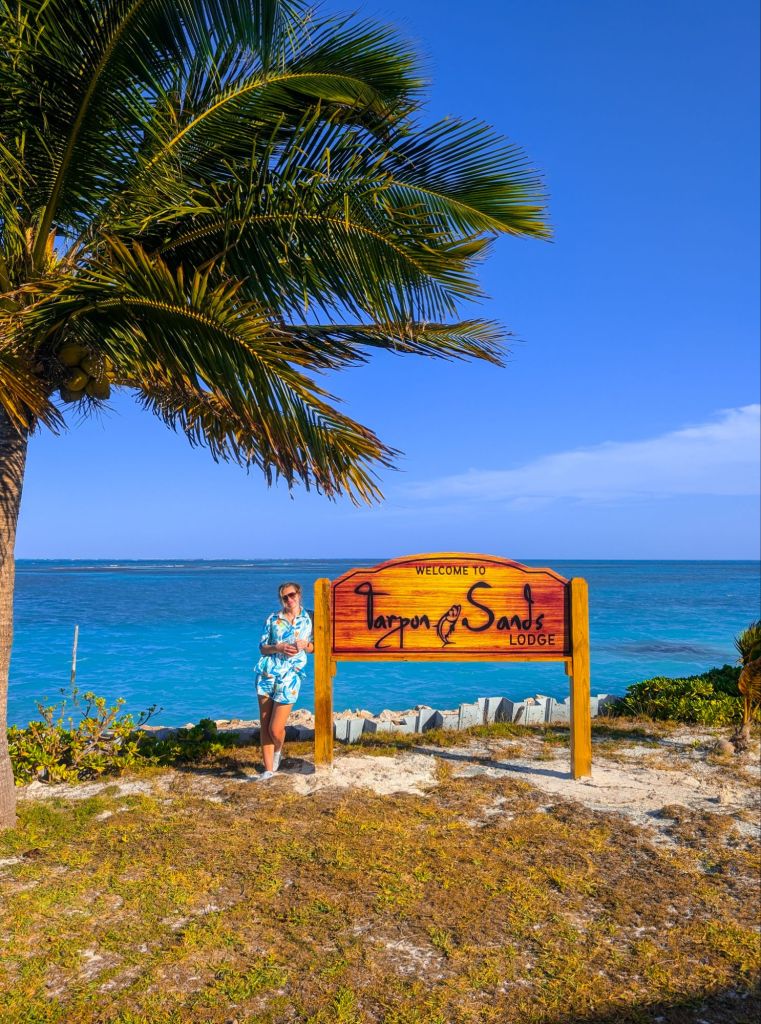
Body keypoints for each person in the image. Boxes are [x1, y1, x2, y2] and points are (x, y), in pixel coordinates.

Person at [252, 581, 313, 781]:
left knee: (275, 728)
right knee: (265, 723)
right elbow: (262, 647)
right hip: (268, 673)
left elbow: (317, 647)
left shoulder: (309, 618)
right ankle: (268, 770)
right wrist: (277, 647)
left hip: (291, 676)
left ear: (299, 595)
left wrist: (306, 645)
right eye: (284, 597)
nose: (289, 599)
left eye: (292, 595)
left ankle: (278, 750)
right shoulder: (273, 619)